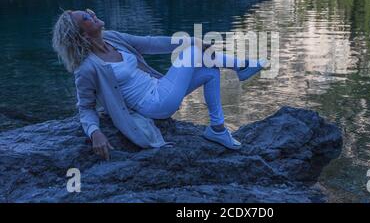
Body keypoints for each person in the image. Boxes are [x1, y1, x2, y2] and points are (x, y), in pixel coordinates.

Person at [52, 9, 267, 160]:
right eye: (87, 17)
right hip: (153, 105)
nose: (94, 14)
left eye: (89, 11)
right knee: (193, 52)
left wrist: (190, 39)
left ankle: (218, 130)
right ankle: (241, 66)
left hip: (159, 86)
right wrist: (94, 132)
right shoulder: (87, 67)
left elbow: (151, 42)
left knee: (210, 71)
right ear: (81, 33)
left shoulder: (112, 38)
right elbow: (86, 107)